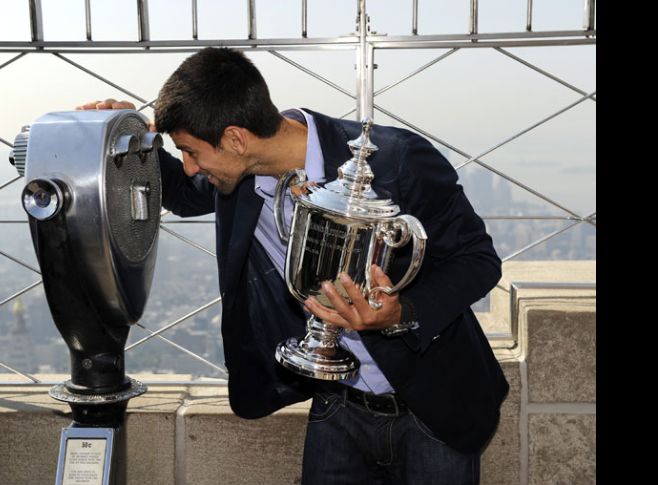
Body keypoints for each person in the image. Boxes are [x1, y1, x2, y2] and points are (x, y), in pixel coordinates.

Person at [78, 47, 508, 484]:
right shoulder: (239, 176)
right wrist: (119, 136)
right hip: (338, 403)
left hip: (432, 404)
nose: (190, 168)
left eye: (191, 152)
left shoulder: (396, 160)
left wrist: (402, 313)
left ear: (235, 139)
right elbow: (181, 191)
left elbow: (478, 261)